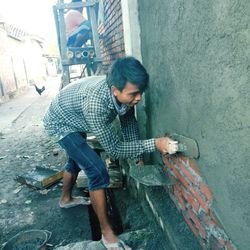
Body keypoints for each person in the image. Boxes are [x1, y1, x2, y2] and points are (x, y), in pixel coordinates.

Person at [43, 56, 178, 249]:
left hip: (72, 113)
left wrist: (137, 157)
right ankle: (107, 234)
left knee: (77, 160)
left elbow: (129, 123)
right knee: (97, 171)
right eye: (133, 94)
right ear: (115, 90)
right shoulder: (96, 104)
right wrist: (155, 144)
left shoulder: (124, 97)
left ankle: (66, 199)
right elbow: (113, 148)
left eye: (140, 92)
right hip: (60, 122)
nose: (138, 98)